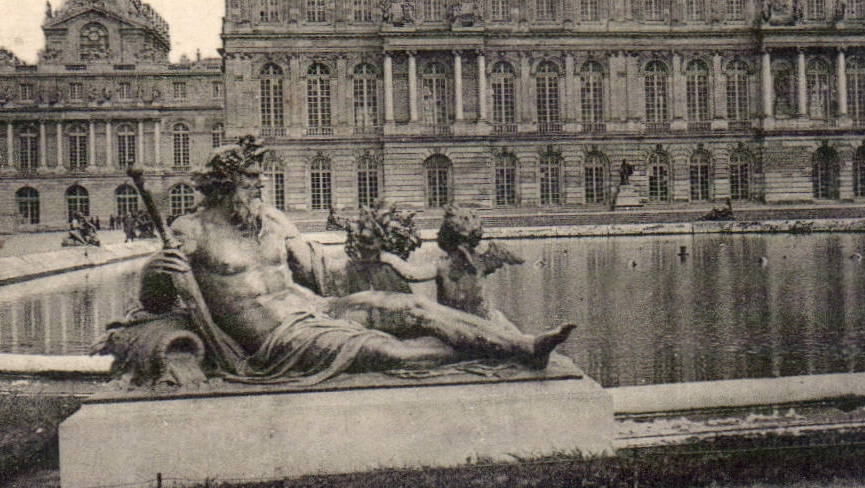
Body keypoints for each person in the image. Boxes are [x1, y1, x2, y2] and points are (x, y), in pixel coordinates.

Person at [138, 136, 573, 383]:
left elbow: (322, 273)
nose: (261, 184)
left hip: (317, 312)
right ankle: (488, 349)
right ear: (225, 182)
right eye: (252, 178)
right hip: (277, 340)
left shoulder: (272, 221)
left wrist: (372, 252)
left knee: (409, 306)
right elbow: (156, 300)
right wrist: (154, 271)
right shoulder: (191, 230)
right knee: (386, 351)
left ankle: (523, 347)